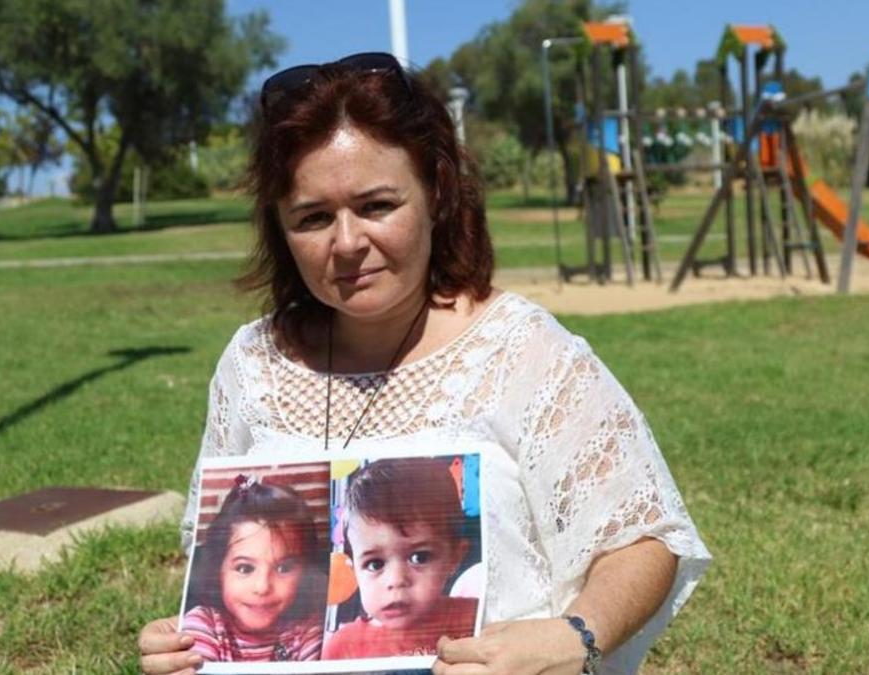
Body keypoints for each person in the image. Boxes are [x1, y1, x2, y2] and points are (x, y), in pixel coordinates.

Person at [138, 52, 710, 675]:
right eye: (313, 218)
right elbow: (215, 555)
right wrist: (184, 648)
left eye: (377, 205)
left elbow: (643, 538)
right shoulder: (253, 364)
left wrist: (574, 637)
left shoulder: (523, 352)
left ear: (435, 195)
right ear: (281, 228)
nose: (348, 242)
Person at [321, 457, 479, 659]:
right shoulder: (341, 648)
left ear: (454, 558)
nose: (395, 580)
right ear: (354, 572)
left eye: (419, 557)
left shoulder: (475, 619)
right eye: (374, 564)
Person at [180, 475, 324, 663]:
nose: (262, 587)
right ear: (219, 570)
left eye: (283, 568)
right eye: (245, 568)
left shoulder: (309, 629)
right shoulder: (204, 624)